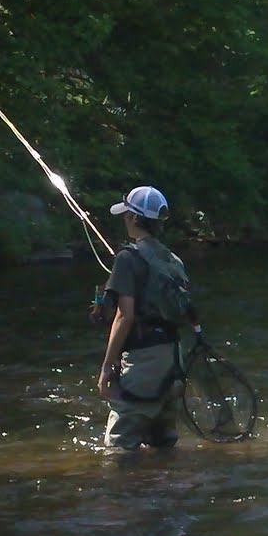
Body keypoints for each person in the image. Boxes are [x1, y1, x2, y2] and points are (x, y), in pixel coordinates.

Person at [98, 185, 196, 450]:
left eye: (126, 214)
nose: (124, 219)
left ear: (133, 218)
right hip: (174, 360)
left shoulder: (127, 258)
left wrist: (107, 367)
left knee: (118, 448)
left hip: (144, 363)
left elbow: (124, 316)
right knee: (163, 442)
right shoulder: (173, 260)